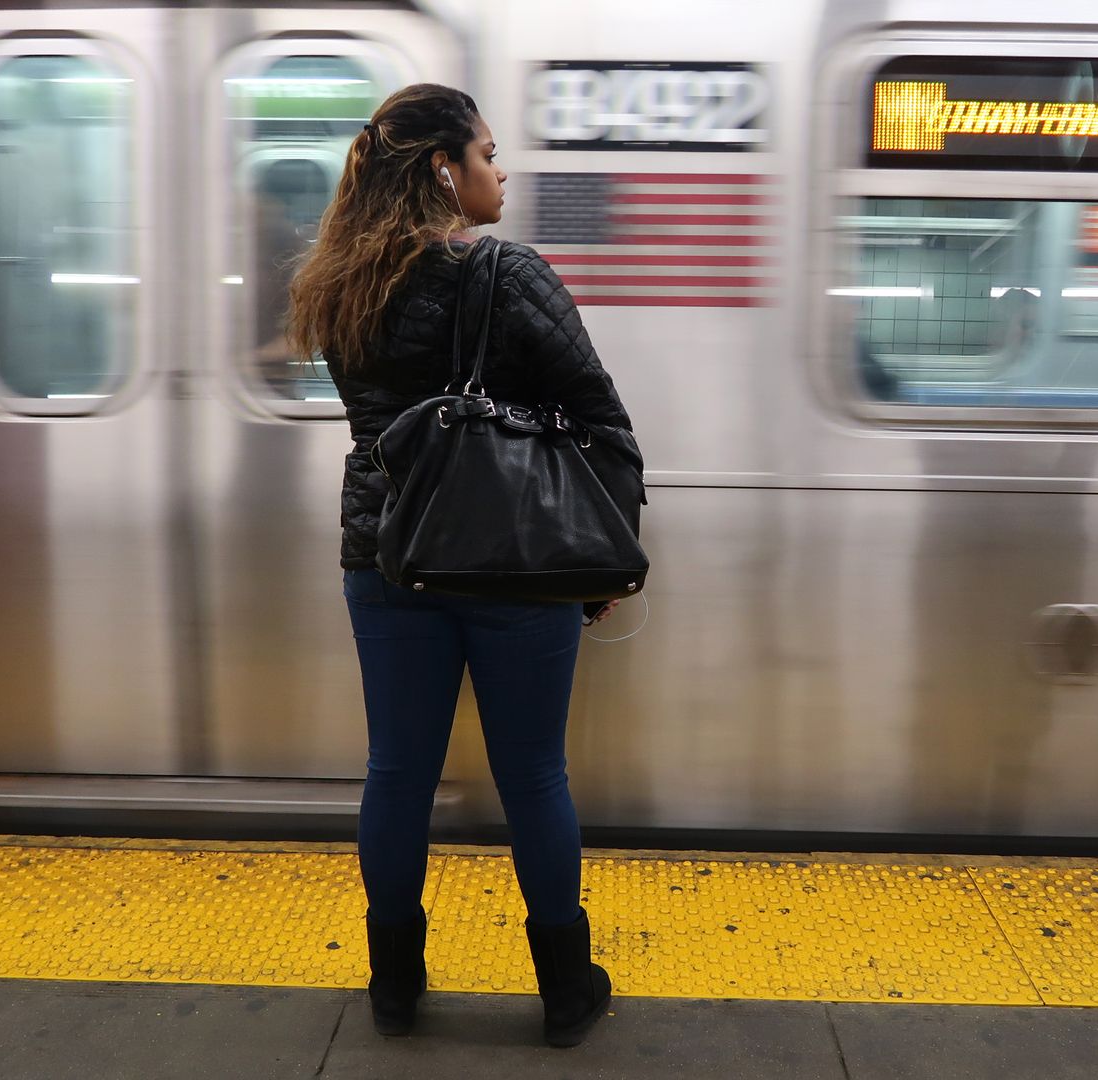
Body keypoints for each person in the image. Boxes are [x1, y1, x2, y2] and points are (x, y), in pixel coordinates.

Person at [286, 84, 631, 1048]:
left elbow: (375, 431)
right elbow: (600, 422)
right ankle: (566, 987)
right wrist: (600, 564)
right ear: (446, 169)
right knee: (535, 776)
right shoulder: (511, 275)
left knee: (397, 772)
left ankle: (394, 982)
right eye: (487, 151)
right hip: (518, 563)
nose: (501, 167)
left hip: (389, 555)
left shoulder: (339, 284)